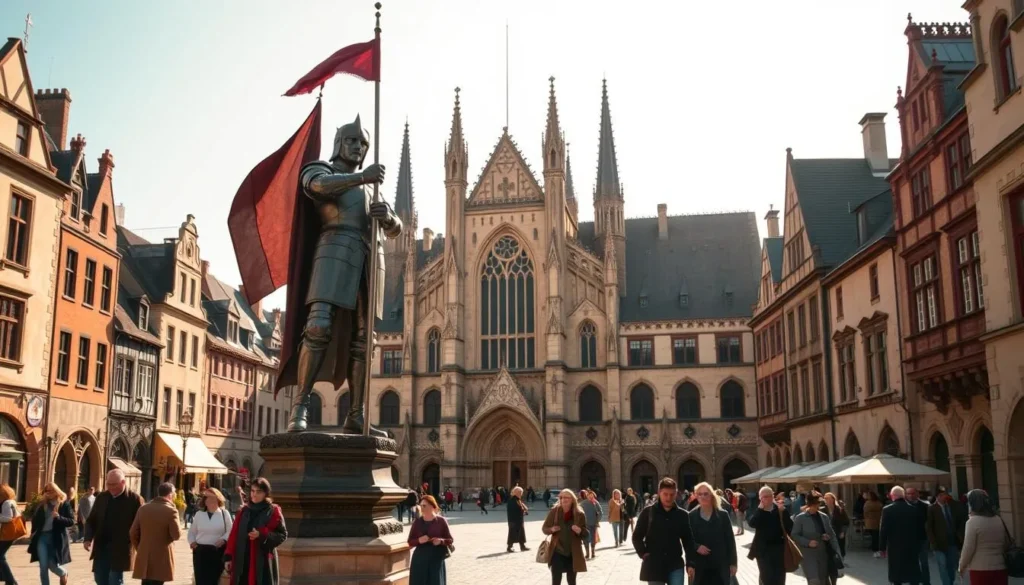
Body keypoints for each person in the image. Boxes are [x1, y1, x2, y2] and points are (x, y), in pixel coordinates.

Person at [84, 469, 145, 585]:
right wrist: (87, 538)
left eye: (114, 484)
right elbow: (91, 520)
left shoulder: (135, 499)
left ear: (123, 483)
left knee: (115, 580)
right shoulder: (102, 497)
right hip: (102, 547)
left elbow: (141, 525)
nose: (110, 487)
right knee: (100, 578)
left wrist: (140, 545)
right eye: (108, 484)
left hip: (121, 548)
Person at [633, 477, 697, 585]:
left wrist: (690, 563)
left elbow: (688, 541)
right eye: (665, 494)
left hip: (675, 564)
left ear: (676, 494)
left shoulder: (682, 515)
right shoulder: (648, 513)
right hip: (654, 565)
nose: (668, 498)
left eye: (672, 494)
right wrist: (643, 554)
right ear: (659, 493)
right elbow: (637, 537)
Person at [224, 478, 288, 585]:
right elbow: (233, 535)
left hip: (262, 561)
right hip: (242, 560)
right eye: (253, 491)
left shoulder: (273, 511)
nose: (254, 494)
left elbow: (282, 534)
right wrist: (228, 557)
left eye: (258, 492)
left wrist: (262, 534)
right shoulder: (244, 511)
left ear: (265, 493)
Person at [130, 482, 181, 585]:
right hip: (162, 555)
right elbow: (176, 535)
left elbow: (133, 532)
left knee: (146, 582)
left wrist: (140, 547)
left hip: (145, 554)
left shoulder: (143, 509)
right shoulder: (171, 511)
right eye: (174, 493)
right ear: (170, 495)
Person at [688, 481, 738, 585]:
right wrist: (696, 548)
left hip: (720, 563)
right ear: (696, 496)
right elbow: (688, 540)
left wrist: (733, 563)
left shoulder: (723, 515)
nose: (703, 496)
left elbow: (730, 540)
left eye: (706, 494)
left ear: (711, 495)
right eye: (699, 494)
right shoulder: (691, 516)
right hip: (700, 565)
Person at [958, 489, 1009, 585]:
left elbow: (968, 548)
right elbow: (1005, 543)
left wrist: (961, 566)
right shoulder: (998, 519)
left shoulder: (972, 522)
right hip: (1001, 567)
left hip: (980, 569)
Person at [28, 482, 74, 585]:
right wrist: (33, 532)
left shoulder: (63, 504)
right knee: (43, 566)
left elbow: (71, 521)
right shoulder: (42, 504)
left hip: (56, 538)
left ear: (56, 491)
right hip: (42, 538)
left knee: (53, 566)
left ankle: (63, 573)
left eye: (50, 491)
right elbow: (35, 520)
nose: (48, 493)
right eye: (46, 491)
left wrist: (59, 517)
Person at [791, 491, 840, 585]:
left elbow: (831, 534)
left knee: (822, 580)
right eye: (815, 504)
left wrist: (828, 537)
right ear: (810, 504)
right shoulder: (800, 518)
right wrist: (807, 542)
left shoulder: (824, 517)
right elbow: (794, 535)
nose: (817, 506)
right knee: (814, 581)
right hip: (808, 554)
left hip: (823, 554)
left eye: (818, 504)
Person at [541, 489, 588, 585]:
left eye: (566, 497)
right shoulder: (554, 511)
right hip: (557, 551)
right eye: (561, 497)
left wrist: (580, 531)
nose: (563, 499)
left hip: (573, 553)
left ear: (572, 499)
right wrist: (551, 529)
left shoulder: (579, 514)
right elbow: (544, 528)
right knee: (556, 581)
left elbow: (586, 534)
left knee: (571, 581)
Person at [879, 486, 924, 585]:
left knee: (896, 573)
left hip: (895, 546)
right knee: (912, 571)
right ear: (904, 496)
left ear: (892, 496)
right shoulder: (913, 509)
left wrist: (882, 548)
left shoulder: (887, 510)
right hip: (911, 545)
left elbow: (884, 530)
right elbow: (919, 528)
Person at [748, 487, 792, 585]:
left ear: (772, 497)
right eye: (762, 497)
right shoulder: (759, 511)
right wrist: (759, 510)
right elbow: (752, 523)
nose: (764, 499)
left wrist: (784, 511)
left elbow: (790, 527)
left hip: (779, 550)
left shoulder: (779, 510)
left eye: (767, 496)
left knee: (779, 578)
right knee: (766, 578)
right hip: (763, 551)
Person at [188, 488, 233, 585]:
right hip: (201, 553)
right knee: (201, 580)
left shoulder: (224, 514)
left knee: (214, 580)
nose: (210, 500)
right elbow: (192, 532)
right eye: (207, 498)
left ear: (218, 499)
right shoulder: (199, 514)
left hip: (218, 552)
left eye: (213, 498)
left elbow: (230, 531)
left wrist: (224, 539)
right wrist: (192, 542)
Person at [407, 495, 453, 585]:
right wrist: (418, 541)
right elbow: (410, 541)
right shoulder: (417, 522)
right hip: (420, 559)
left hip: (436, 558)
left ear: (432, 506)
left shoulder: (441, 521)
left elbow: (450, 539)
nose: (422, 508)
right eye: (421, 505)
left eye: (424, 506)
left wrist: (440, 541)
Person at [926, 488, 967, 585]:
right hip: (939, 543)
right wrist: (933, 542)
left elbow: (958, 522)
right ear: (938, 497)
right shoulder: (932, 509)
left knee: (951, 565)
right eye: (943, 495)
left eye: (945, 494)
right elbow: (929, 527)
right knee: (942, 565)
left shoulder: (951, 507)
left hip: (952, 542)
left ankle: (951, 582)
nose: (945, 497)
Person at [905, 487, 931, 585]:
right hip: (909, 539)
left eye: (912, 493)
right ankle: (913, 582)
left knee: (924, 562)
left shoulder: (925, 506)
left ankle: (926, 582)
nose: (910, 496)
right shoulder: (904, 506)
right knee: (912, 563)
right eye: (908, 494)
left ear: (917, 494)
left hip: (922, 538)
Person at [0, 484, 20, 585]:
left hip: (7, 534)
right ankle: (7, 579)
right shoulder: (11, 502)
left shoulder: (6, 503)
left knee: (0, 556)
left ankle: (11, 581)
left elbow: (8, 518)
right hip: (9, 534)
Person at [822, 493, 849, 558]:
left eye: (828, 498)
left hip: (838, 532)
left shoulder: (839, 510)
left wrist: (843, 531)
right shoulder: (822, 510)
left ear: (833, 499)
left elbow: (846, 522)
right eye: (825, 498)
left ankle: (840, 559)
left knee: (840, 547)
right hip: (826, 533)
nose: (826, 500)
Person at [506, 486, 529, 553]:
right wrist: (523, 511)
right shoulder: (512, 500)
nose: (521, 494)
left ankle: (522, 546)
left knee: (521, 533)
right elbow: (514, 510)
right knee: (512, 534)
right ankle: (509, 547)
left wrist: (524, 511)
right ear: (516, 493)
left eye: (521, 492)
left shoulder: (517, 500)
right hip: (513, 521)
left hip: (518, 520)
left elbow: (521, 508)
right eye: (520, 492)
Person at [580, 490, 602, 559]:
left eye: (592, 495)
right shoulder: (583, 503)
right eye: (589, 495)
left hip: (593, 524)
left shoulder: (596, 503)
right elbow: (579, 513)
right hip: (585, 524)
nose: (591, 496)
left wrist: (597, 520)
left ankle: (593, 552)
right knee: (585, 539)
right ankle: (587, 553)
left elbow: (600, 512)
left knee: (593, 539)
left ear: (594, 495)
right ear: (587, 496)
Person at [863, 491, 883, 557]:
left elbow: (865, 512)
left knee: (874, 537)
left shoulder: (867, 503)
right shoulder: (878, 503)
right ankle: (876, 550)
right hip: (877, 521)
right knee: (876, 536)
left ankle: (875, 550)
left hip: (870, 522)